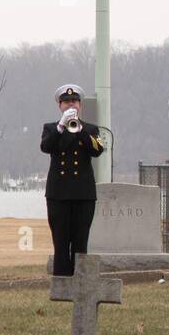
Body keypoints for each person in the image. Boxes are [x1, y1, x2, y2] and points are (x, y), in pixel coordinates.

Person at [40, 83, 105, 277]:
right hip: (58, 194)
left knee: (80, 242)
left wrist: (80, 130)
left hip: (83, 194)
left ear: (80, 105)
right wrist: (62, 126)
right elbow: (46, 147)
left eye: (74, 102)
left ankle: (81, 281)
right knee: (60, 242)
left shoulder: (91, 129)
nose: (71, 105)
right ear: (60, 106)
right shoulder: (51, 128)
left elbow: (97, 150)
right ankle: (61, 282)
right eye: (67, 102)